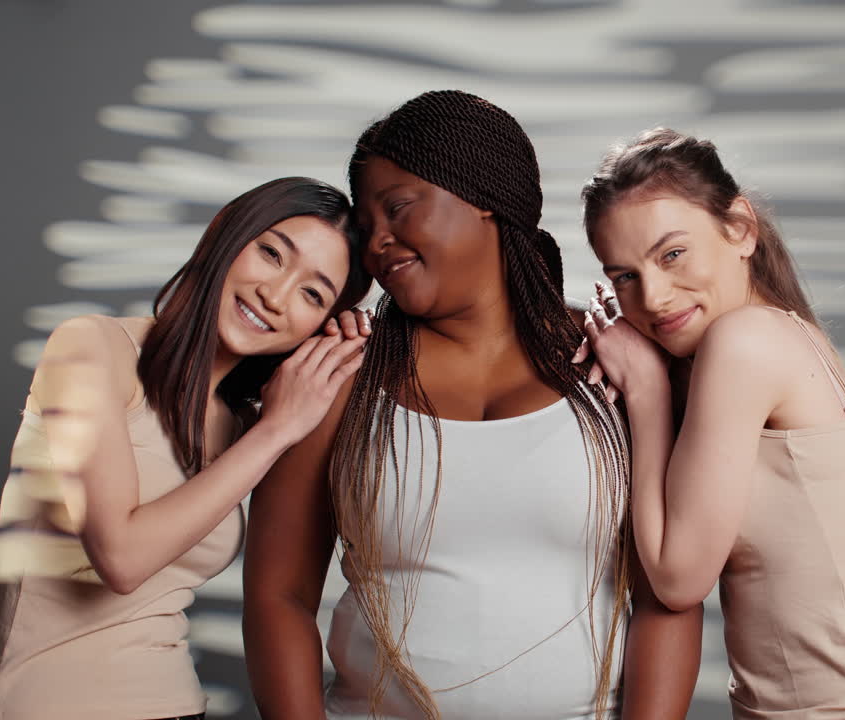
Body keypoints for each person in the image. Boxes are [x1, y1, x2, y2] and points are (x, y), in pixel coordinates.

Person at [242, 91, 703, 720]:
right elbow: (278, 596)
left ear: (484, 195)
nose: (376, 240)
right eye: (366, 222)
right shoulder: (341, 374)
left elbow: (666, 600)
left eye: (398, 207)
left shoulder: (619, 367)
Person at [575, 128, 845, 720]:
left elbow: (677, 580)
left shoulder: (744, 342)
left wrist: (646, 392)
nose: (652, 296)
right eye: (623, 275)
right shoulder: (784, 330)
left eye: (672, 254)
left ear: (741, 230)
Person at [0, 177, 373, 720]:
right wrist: (278, 429)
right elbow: (121, 557)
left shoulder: (242, 425)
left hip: (176, 703)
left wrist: (340, 361)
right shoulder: (92, 347)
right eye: (271, 253)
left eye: (312, 294)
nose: (274, 296)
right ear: (226, 233)